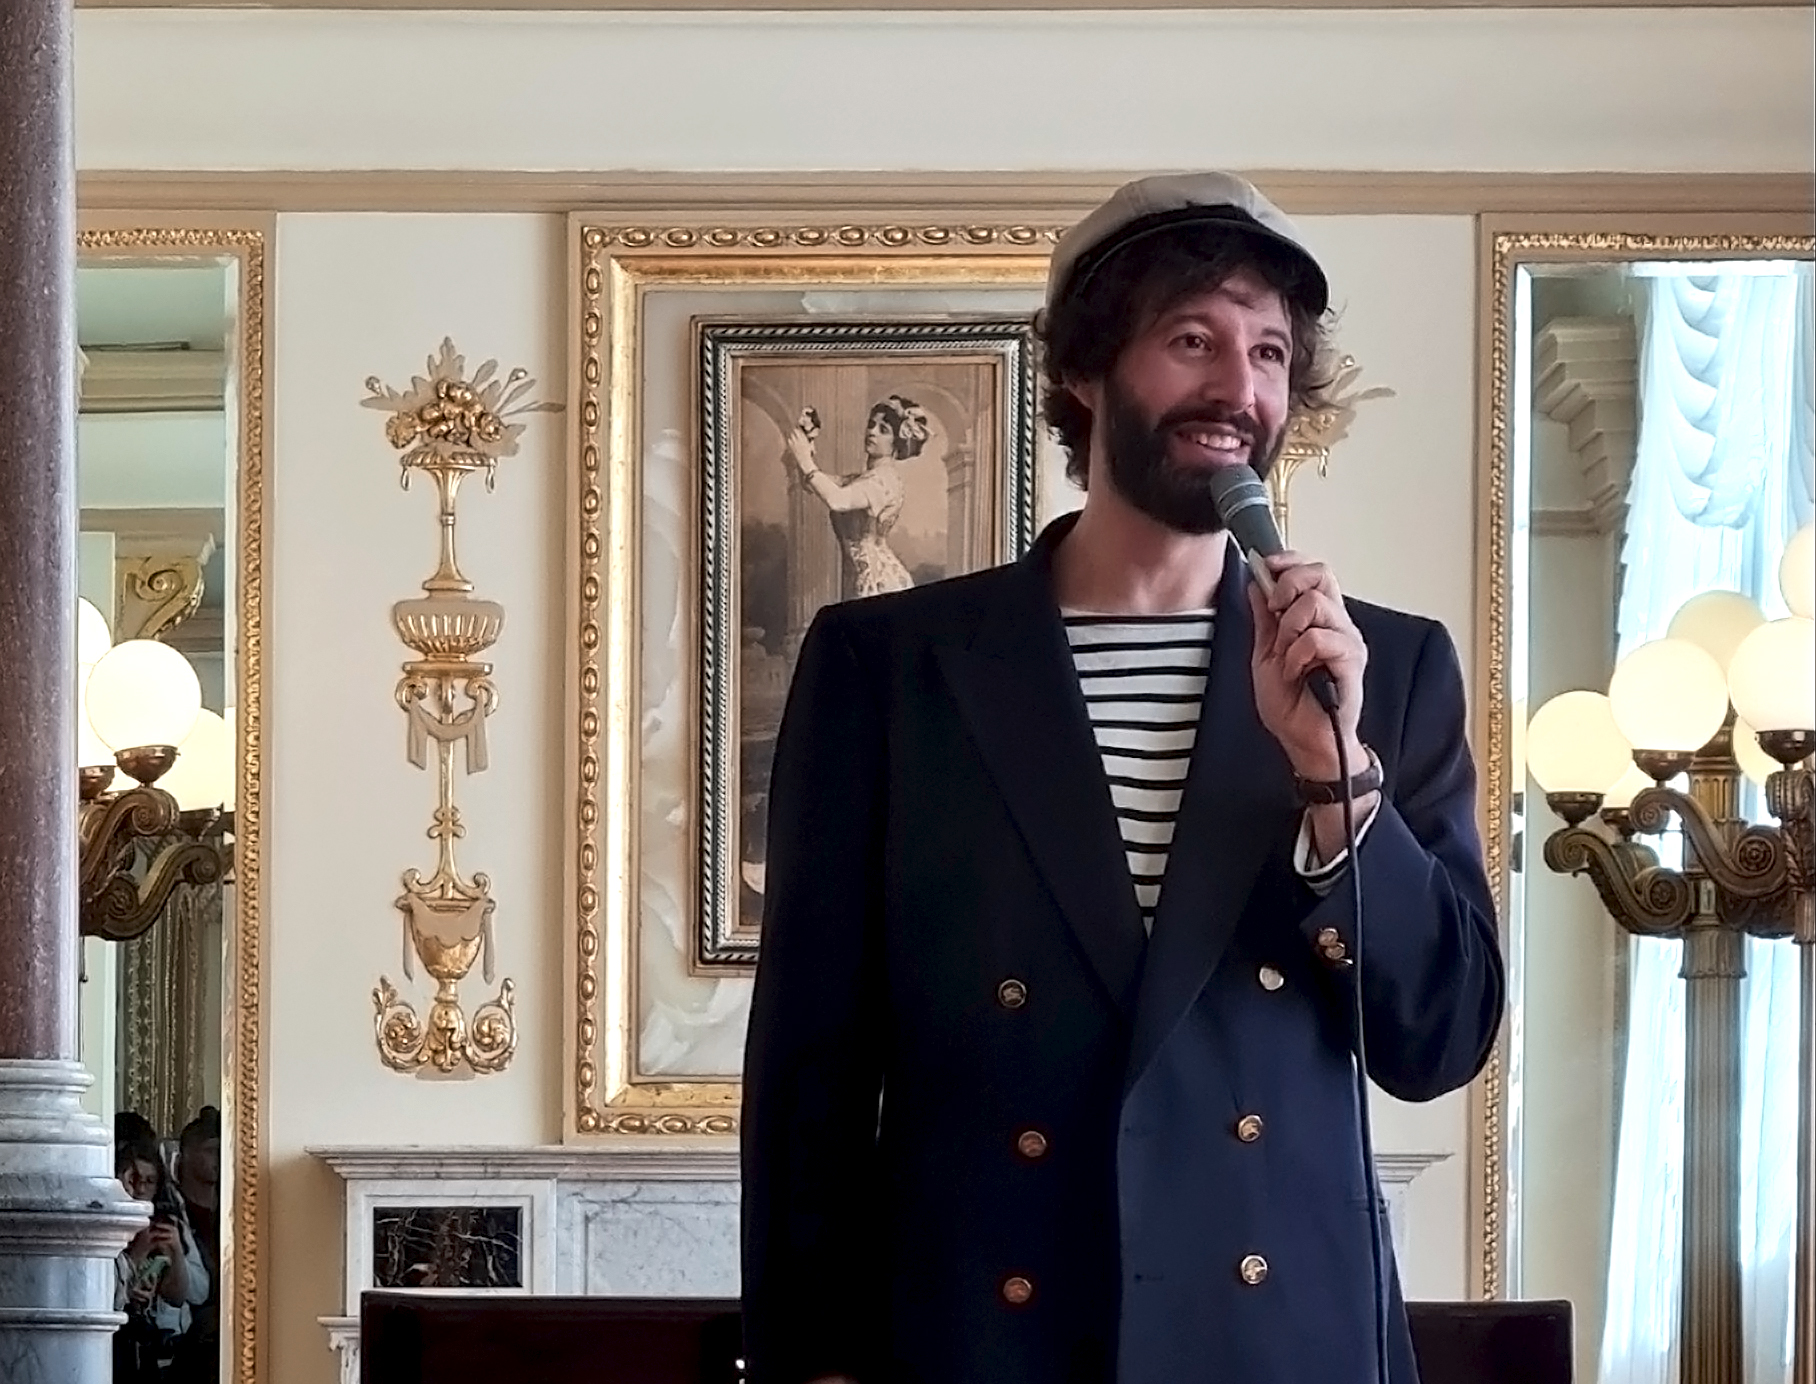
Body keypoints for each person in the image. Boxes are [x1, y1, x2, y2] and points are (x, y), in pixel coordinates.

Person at [740, 173, 1504, 1384]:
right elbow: (811, 1067)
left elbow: (1439, 1041)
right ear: (1087, 370)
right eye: (1191, 339)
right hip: (980, 1336)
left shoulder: (1383, 670)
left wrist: (1333, 773)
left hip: (1278, 1345)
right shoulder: (888, 665)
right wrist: (813, 1361)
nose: (1237, 386)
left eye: (1268, 352)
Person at [782, 395, 930, 596]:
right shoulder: (861, 479)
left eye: (883, 430)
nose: (872, 431)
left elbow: (837, 500)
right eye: (871, 424)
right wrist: (807, 441)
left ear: (896, 444)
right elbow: (813, 483)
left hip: (879, 582)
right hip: (858, 578)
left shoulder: (884, 481)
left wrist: (806, 461)